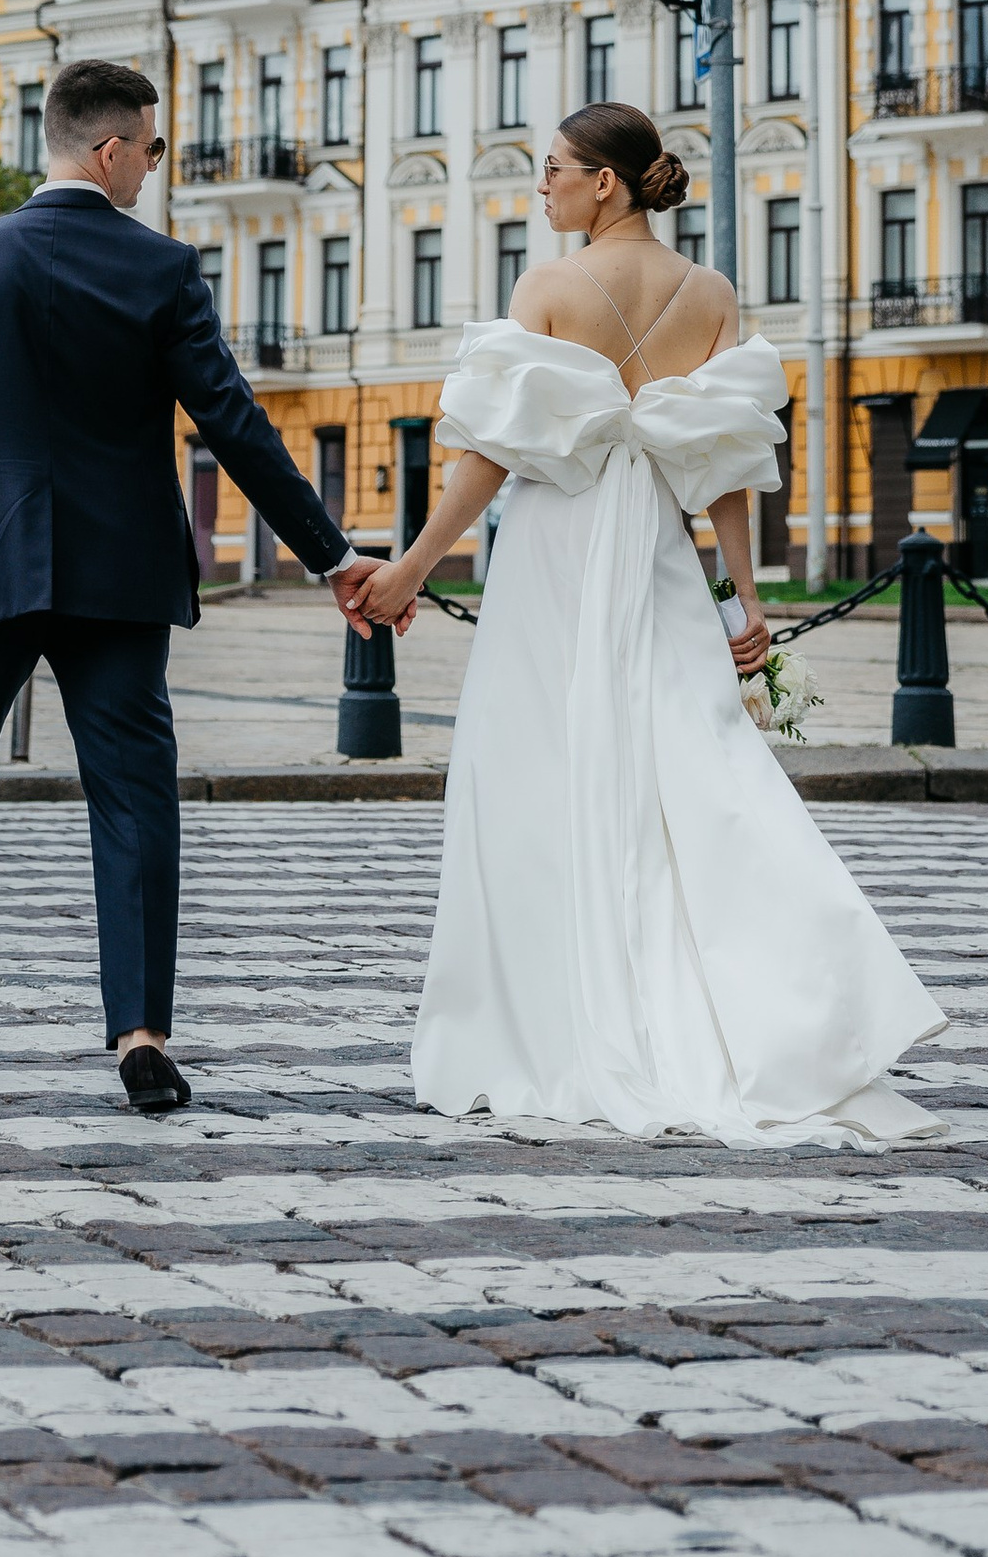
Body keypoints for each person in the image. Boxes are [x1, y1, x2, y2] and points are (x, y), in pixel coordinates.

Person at [355, 100, 944, 1144]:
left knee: (532, 774)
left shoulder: (546, 286)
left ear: (606, 185)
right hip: (660, 546)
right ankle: (770, 1008)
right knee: (694, 769)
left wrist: (409, 567)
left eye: (553, 170)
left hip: (554, 550)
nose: (541, 188)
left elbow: (491, 451)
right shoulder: (710, 293)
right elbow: (721, 464)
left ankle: (548, 1021)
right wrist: (744, 599)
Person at [0, 57, 375, 1113]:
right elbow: (233, 422)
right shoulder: (160, 269)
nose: (152, 165)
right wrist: (332, 555)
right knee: (135, 797)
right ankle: (142, 1036)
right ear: (107, 150)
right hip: (122, 570)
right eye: (147, 147)